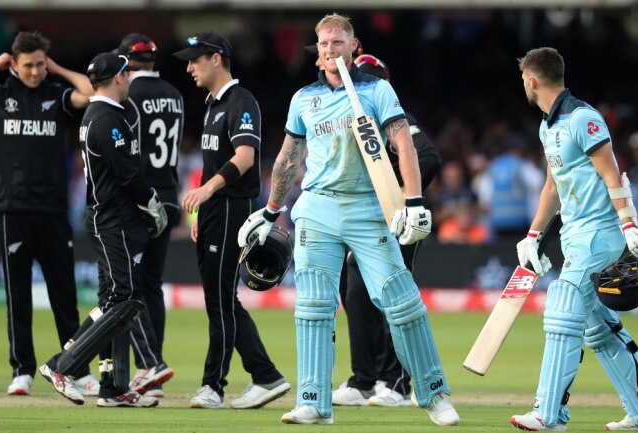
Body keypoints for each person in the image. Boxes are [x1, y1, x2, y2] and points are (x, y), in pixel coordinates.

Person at [238, 14, 459, 426]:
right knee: (313, 306)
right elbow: (289, 158)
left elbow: (404, 144)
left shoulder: (377, 90)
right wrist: (270, 212)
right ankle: (314, 401)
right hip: (317, 207)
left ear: (353, 46)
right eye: (323, 43)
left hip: (367, 206)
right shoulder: (304, 97)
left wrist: (412, 201)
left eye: (337, 42)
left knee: (403, 302)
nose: (328, 49)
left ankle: (433, 394)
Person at [510, 47, 638, 431]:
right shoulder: (549, 125)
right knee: (599, 329)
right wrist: (533, 235)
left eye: (523, 81)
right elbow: (552, 186)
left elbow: (613, 175)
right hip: (575, 236)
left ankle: (550, 414)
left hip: (600, 234)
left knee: (562, 305)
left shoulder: (583, 118)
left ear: (532, 80)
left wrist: (629, 226)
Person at [0, 31, 100, 396]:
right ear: (14, 64)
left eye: (40, 64)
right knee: (18, 296)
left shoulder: (55, 95)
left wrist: (56, 67)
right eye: (27, 65)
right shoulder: (0, 95)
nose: (34, 72)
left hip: (53, 209)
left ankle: (76, 369)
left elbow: (92, 92)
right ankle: (22, 371)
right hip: (11, 209)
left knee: (64, 295)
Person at [39, 52, 167, 408]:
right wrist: (153, 203)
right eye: (126, 73)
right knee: (124, 300)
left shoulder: (99, 114)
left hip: (110, 217)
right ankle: (61, 365)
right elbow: (127, 174)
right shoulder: (107, 117)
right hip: (114, 219)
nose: (129, 79)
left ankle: (112, 387)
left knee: (114, 300)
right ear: (117, 78)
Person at [174, 31, 291, 410]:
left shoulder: (241, 101)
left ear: (217, 58)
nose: (189, 66)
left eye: (195, 59)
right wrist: (204, 211)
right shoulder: (212, 103)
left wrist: (208, 192)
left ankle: (213, 386)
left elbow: (245, 157)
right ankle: (266, 376)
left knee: (220, 300)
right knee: (222, 298)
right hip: (214, 211)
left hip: (230, 208)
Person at [330, 53, 443, 408]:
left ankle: (397, 382)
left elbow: (428, 157)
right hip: (363, 220)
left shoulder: (398, 118)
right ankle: (364, 379)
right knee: (355, 293)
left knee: (392, 296)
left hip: (397, 218)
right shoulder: (353, 118)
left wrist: (394, 193)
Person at [116, 32, 181, 398]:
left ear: (126, 61)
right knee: (152, 286)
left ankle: (146, 367)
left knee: (128, 288)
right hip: (170, 195)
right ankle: (151, 372)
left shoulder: (127, 95)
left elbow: (129, 153)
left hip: (142, 200)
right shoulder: (174, 94)